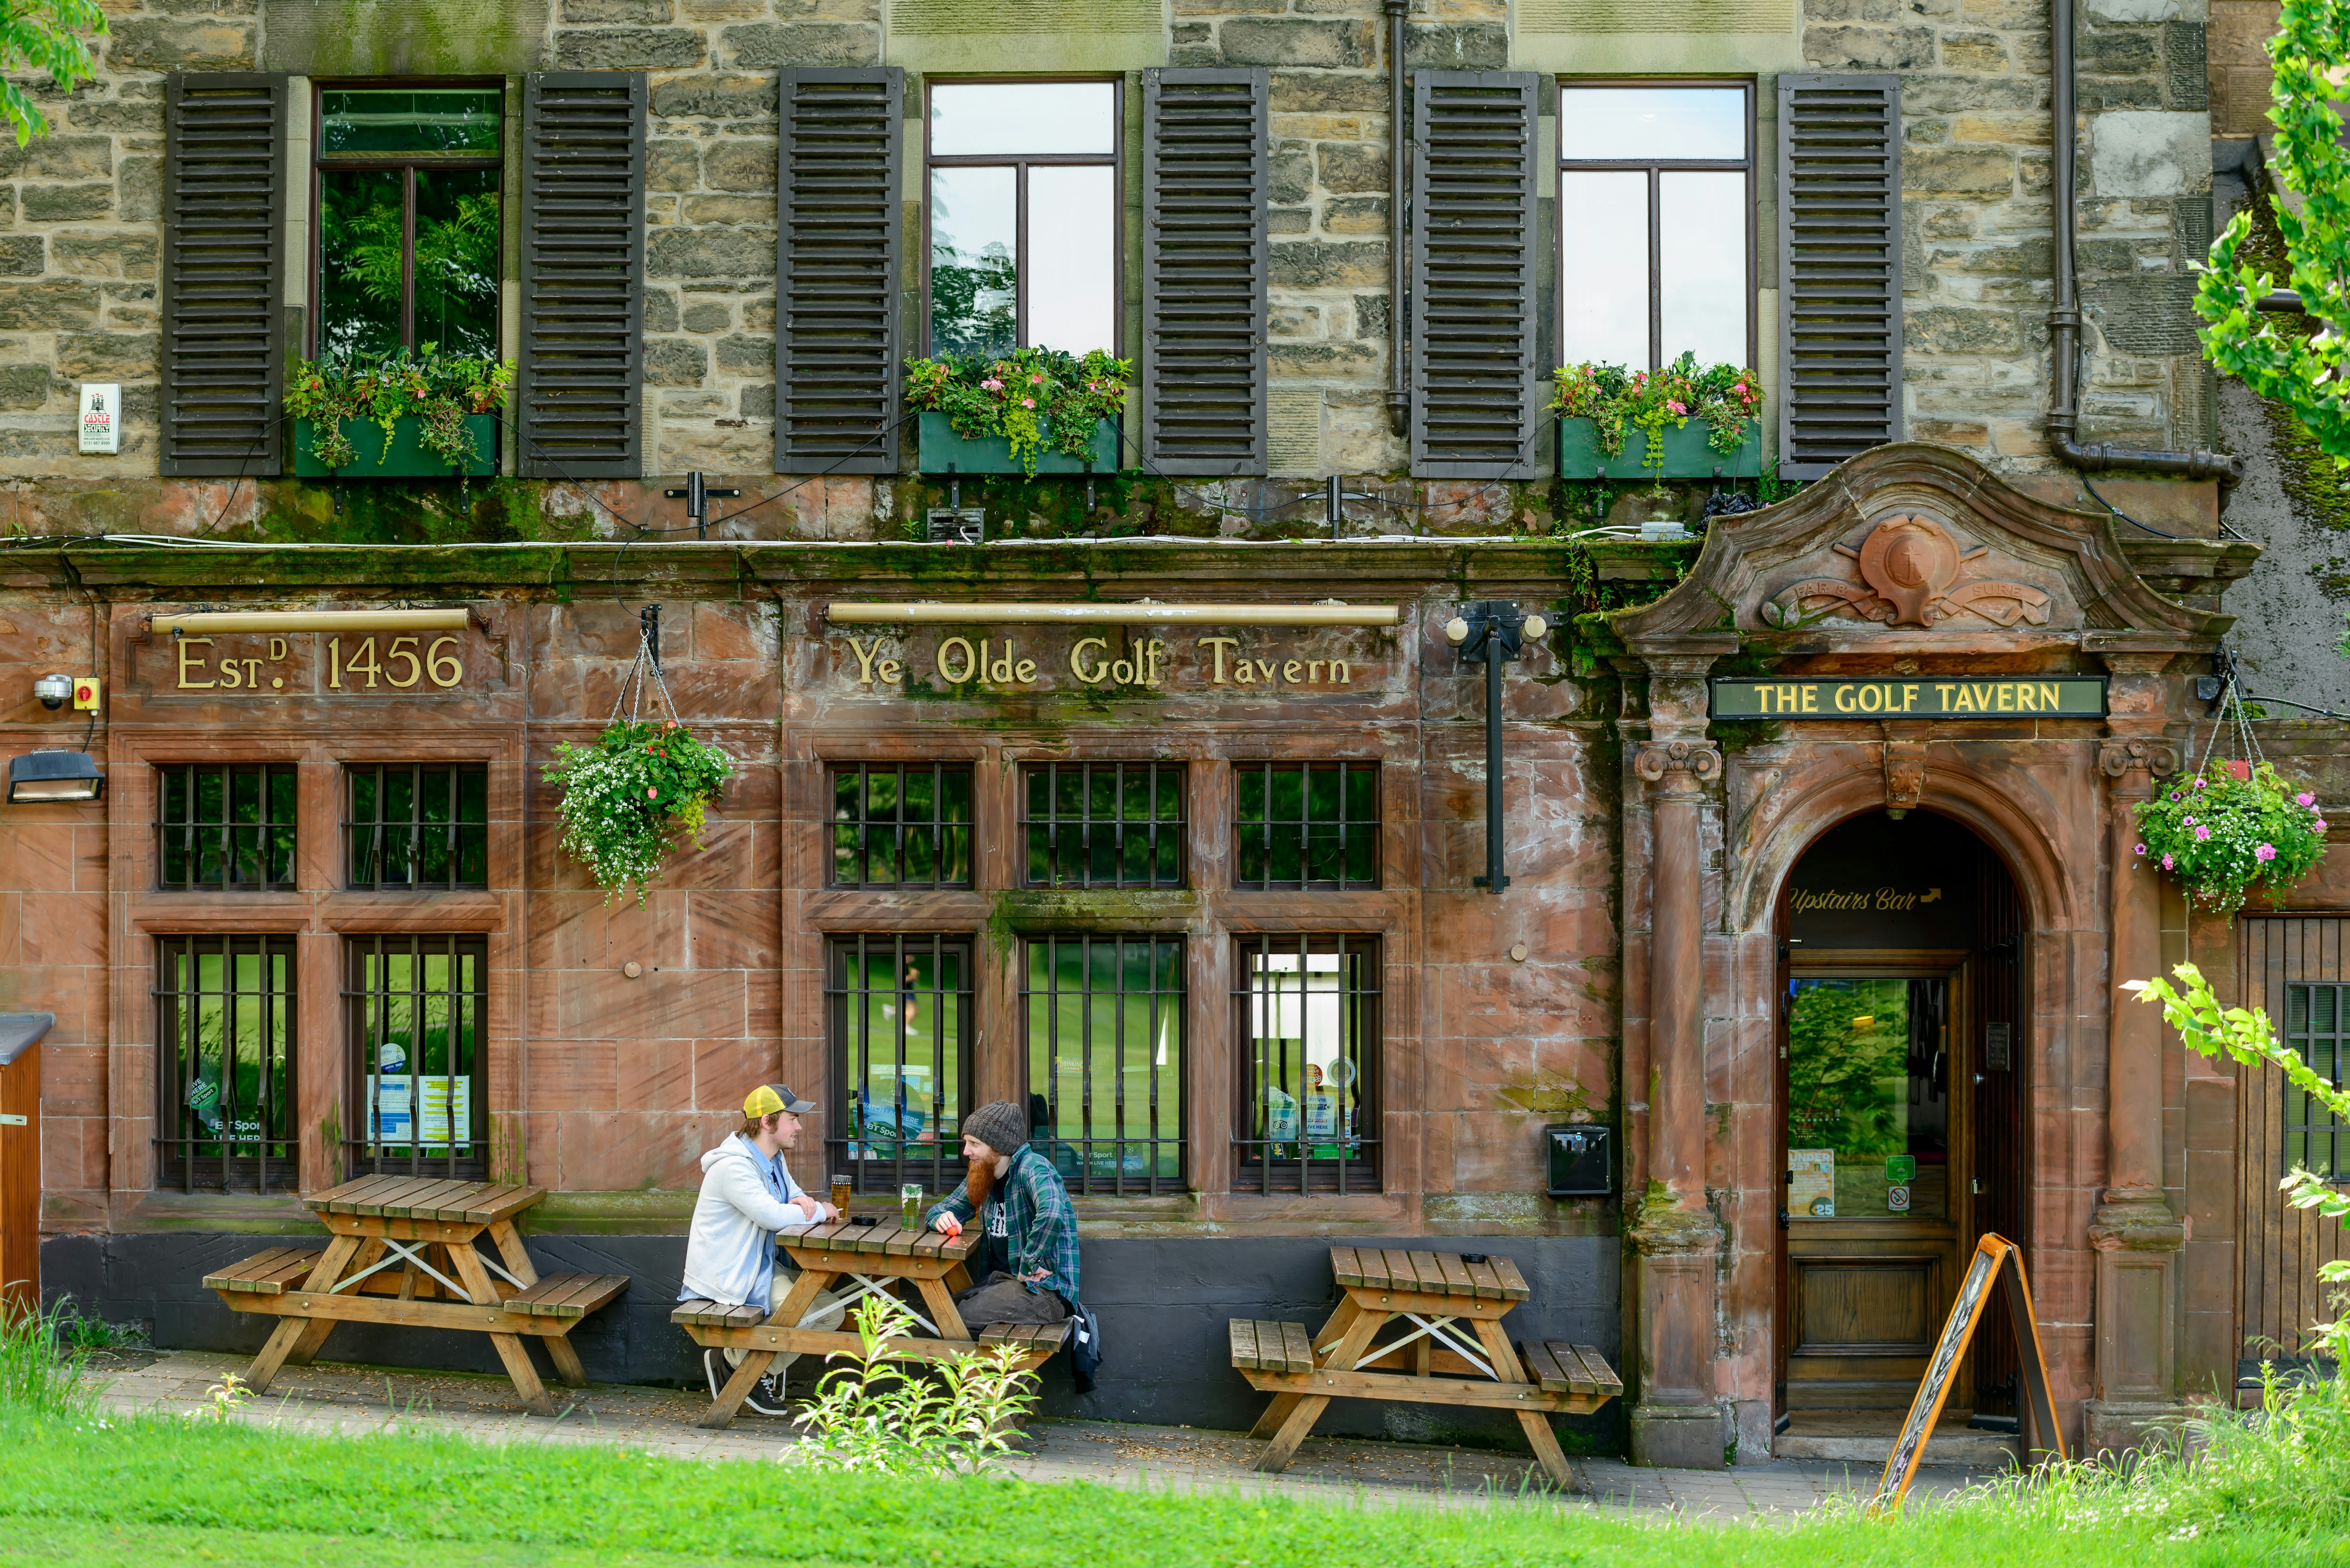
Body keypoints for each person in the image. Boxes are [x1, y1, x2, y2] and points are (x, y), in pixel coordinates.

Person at [680, 1084, 847, 1415]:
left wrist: (808, 1206)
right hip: (732, 1271)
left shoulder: (774, 1160)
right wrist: (819, 1210)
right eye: (793, 1119)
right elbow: (773, 1216)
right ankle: (742, 1370)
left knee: (831, 1313)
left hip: (762, 1265)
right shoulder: (734, 1167)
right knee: (797, 1312)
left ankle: (743, 1366)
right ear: (768, 1122)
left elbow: (798, 1199)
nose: (799, 1127)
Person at [923, 1098, 1078, 1325]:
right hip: (1000, 1282)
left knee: (950, 1319)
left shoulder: (1033, 1167)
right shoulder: (983, 1173)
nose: (966, 1151)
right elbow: (939, 1209)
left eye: (974, 1143)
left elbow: (1052, 1212)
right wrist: (940, 1218)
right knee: (934, 1311)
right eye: (966, 1142)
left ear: (999, 1145)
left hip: (1044, 1290)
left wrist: (1029, 1263)